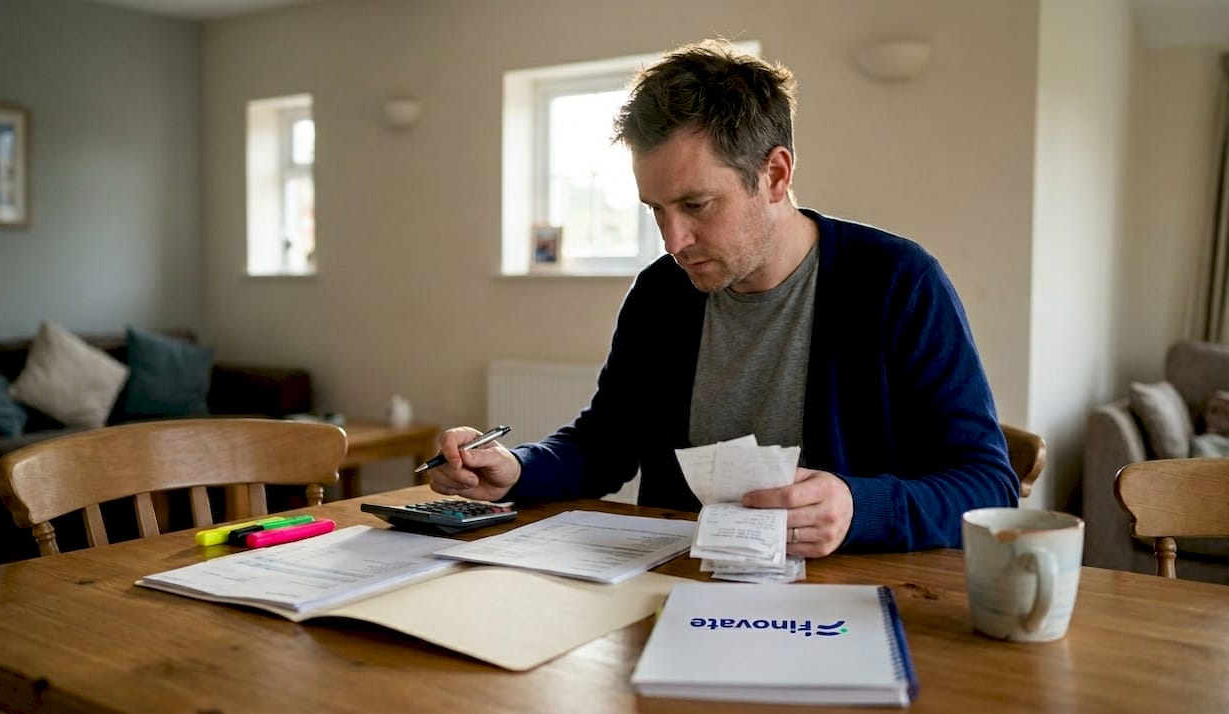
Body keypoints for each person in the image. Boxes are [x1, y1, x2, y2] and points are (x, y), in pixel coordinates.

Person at [429, 39, 1018, 556]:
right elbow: (605, 444)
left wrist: (858, 507)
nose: (673, 240)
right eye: (656, 210)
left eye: (696, 205)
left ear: (776, 176)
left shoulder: (897, 282)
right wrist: (517, 469)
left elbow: (988, 484)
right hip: (678, 587)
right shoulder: (663, 292)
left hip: (847, 604)